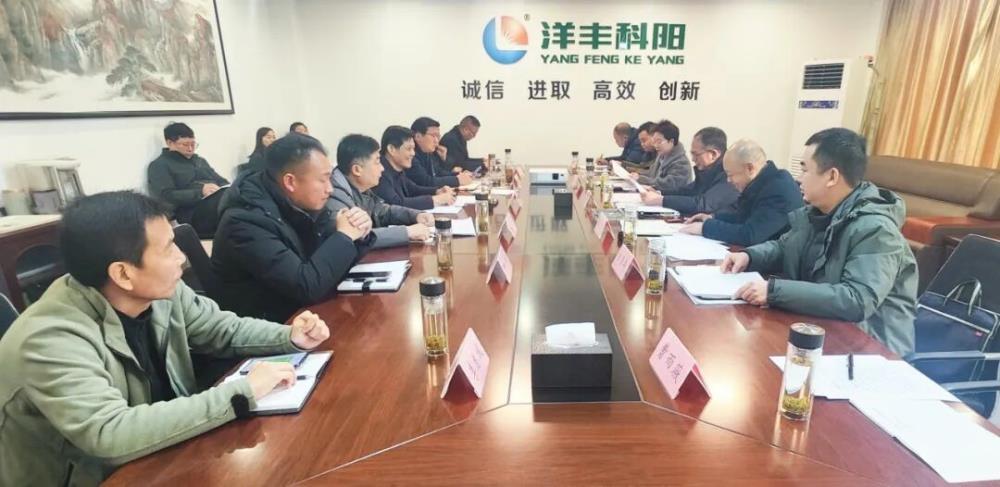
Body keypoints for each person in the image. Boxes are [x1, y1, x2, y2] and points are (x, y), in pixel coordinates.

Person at [0, 191, 331, 486]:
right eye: (168, 248)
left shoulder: (159, 292)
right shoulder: (49, 338)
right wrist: (242, 392)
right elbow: (109, 433)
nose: (181, 258)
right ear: (123, 273)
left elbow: (220, 328)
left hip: (160, 454)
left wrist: (290, 336)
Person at [723, 128, 917, 356]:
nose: (799, 178)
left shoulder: (876, 229)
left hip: (872, 350)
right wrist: (749, 256)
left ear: (832, 177)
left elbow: (856, 300)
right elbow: (784, 247)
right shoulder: (816, 213)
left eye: (805, 170)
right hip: (821, 330)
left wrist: (774, 291)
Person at [212, 133, 374, 322]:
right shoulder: (244, 222)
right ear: (290, 182)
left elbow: (324, 259)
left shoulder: (295, 202)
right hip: (271, 324)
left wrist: (359, 231)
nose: (330, 189)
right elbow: (306, 286)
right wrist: (344, 236)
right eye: (323, 179)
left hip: (302, 313)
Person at [680, 139, 803, 245]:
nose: (728, 180)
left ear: (750, 168)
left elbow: (750, 234)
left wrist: (705, 228)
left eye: (730, 175)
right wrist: (711, 218)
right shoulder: (761, 182)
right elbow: (743, 217)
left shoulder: (778, 189)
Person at [330, 134, 435, 248]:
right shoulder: (336, 194)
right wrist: (407, 232)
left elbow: (382, 211)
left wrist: (416, 215)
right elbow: (358, 238)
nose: (382, 168)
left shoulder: (360, 188)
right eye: (377, 162)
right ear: (357, 170)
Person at [147, 122, 230, 237]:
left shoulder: (199, 161)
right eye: (185, 144)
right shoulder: (159, 165)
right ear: (170, 143)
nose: (190, 149)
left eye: (193, 144)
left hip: (213, 204)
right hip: (189, 212)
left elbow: (221, 181)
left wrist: (224, 188)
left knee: (237, 192)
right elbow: (166, 195)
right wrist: (201, 192)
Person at [641, 127, 738, 215]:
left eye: (696, 154)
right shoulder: (709, 171)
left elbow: (703, 204)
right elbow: (687, 191)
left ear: (713, 154)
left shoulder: (729, 175)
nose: (692, 159)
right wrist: (659, 193)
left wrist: (661, 200)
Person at [373, 125, 456, 210]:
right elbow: (396, 204)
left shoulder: (397, 169)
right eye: (409, 149)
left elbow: (413, 189)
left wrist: (437, 191)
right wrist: (436, 200)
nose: (413, 153)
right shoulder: (379, 172)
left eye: (413, 149)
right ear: (391, 149)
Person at [408, 117, 474, 189]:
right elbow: (426, 181)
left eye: (438, 136)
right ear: (418, 136)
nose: (436, 141)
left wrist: (459, 175)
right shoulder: (410, 155)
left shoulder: (427, 152)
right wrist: (457, 180)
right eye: (433, 136)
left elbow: (438, 172)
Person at [632, 120, 693, 193]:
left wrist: (641, 179)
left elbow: (667, 185)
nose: (656, 145)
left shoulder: (681, 163)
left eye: (659, 142)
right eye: (654, 142)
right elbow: (651, 173)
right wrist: (637, 175)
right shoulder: (662, 155)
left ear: (671, 141)